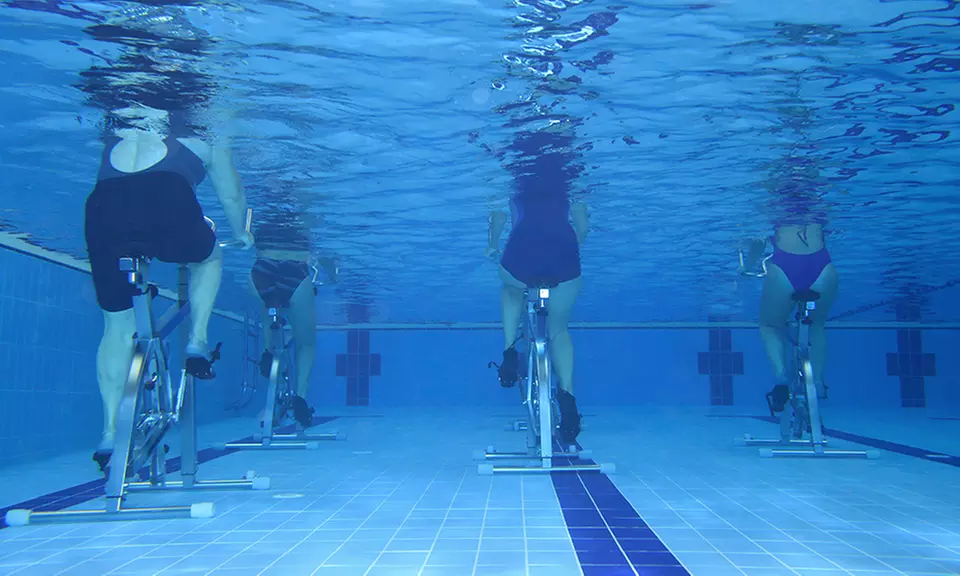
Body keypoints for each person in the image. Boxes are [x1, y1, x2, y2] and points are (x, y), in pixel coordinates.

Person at [84, 105, 253, 472]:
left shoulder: (120, 129)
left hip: (104, 205)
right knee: (208, 259)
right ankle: (198, 340)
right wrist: (241, 233)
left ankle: (109, 434)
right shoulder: (205, 132)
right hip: (167, 197)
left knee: (115, 325)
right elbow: (232, 196)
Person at [485, 192, 589, 446]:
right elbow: (582, 227)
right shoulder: (571, 186)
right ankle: (568, 400)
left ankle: (510, 351)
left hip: (521, 255)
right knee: (559, 330)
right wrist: (568, 248)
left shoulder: (514, 186)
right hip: (563, 259)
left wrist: (492, 244)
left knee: (511, 288)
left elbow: (498, 217)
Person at [757, 178, 836, 410]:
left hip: (784, 268)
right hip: (823, 268)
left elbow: (756, 243)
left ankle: (781, 376)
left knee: (769, 325)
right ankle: (818, 382)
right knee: (818, 324)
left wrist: (747, 267)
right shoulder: (821, 205)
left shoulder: (770, 206)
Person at [248, 217, 324, 430]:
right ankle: (299, 399)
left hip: (261, 269)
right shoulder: (303, 209)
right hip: (296, 270)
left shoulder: (263, 205)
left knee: (269, 325)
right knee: (306, 342)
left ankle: (267, 353)